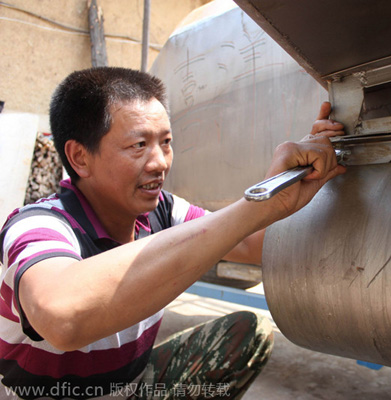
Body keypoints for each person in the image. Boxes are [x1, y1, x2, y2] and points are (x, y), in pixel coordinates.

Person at [0, 67, 345, 399]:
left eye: (165, 142)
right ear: (79, 157)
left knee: (247, 334)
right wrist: (254, 206)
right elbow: (62, 317)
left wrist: (297, 178)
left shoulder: (163, 210)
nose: (160, 162)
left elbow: (251, 243)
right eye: (138, 145)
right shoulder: (38, 225)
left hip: (128, 390)